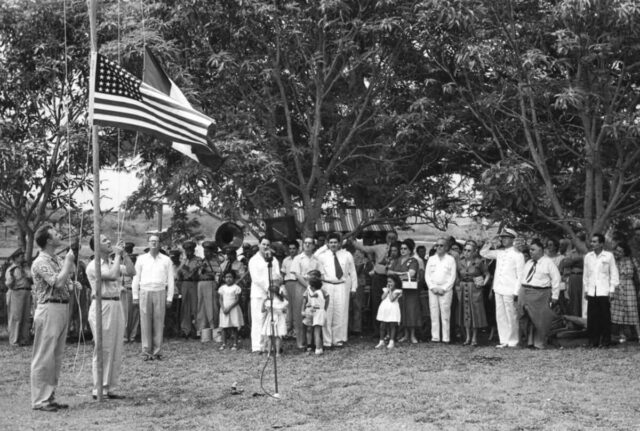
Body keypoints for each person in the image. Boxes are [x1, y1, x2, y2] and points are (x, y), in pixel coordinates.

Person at [30, 224, 77, 412]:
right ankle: (40, 400)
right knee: (44, 354)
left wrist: (73, 282)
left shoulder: (56, 258)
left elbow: (66, 281)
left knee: (55, 355)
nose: (59, 236)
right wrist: (67, 263)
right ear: (48, 240)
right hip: (48, 308)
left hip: (61, 307)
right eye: (56, 234)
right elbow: (57, 282)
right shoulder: (40, 262)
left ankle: (49, 395)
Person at [86, 234, 135, 399]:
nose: (109, 242)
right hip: (102, 305)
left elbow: (131, 271)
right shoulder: (94, 265)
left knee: (115, 346)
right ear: (96, 246)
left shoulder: (112, 263)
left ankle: (110, 387)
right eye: (104, 240)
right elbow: (112, 276)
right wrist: (119, 255)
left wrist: (125, 254)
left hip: (115, 304)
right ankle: (98, 388)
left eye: (108, 239)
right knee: (103, 347)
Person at [132, 235, 175, 361]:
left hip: (160, 291)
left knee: (159, 321)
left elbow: (170, 280)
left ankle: (157, 351)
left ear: (160, 244)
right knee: (145, 321)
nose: (154, 244)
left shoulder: (166, 260)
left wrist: (169, 297)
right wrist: (135, 295)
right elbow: (136, 277)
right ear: (148, 243)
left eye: (156, 242)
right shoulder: (141, 259)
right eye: (152, 242)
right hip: (145, 291)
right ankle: (146, 351)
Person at [480, 228, 524, 348]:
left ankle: (513, 341)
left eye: (506, 238)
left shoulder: (518, 255)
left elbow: (520, 276)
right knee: (500, 315)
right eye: (502, 238)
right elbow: (483, 253)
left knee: (511, 315)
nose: (503, 240)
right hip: (498, 288)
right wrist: (490, 242)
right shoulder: (500, 252)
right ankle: (503, 339)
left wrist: (516, 292)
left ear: (512, 239)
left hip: (510, 289)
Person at [516, 239, 561, 349]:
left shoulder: (548, 262)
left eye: (533, 249)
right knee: (523, 317)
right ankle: (528, 342)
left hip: (539, 294)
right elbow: (522, 278)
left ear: (541, 250)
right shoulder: (529, 263)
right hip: (524, 291)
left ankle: (540, 343)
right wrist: (518, 293)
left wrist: (555, 296)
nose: (530, 252)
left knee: (539, 319)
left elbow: (556, 279)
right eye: (530, 250)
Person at [351, 231, 399, 332]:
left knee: (392, 303)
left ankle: (392, 330)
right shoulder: (379, 247)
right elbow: (364, 248)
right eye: (389, 237)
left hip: (394, 279)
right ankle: (377, 330)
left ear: (396, 238)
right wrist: (353, 241)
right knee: (377, 303)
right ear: (386, 238)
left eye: (393, 237)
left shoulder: (399, 249)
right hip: (378, 278)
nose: (391, 239)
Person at [317, 232, 357, 348]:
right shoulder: (322, 256)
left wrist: (354, 287)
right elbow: (315, 256)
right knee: (327, 313)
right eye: (331, 243)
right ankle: (327, 341)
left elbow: (352, 272)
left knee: (340, 312)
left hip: (341, 286)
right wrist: (324, 247)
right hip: (327, 285)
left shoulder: (347, 255)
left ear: (340, 243)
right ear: (327, 244)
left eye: (335, 242)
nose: (333, 245)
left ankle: (337, 340)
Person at [583, 233, 619, 348]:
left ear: (601, 243)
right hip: (592, 291)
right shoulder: (588, 256)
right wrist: (586, 289)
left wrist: (612, 290)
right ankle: (593, 341)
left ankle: (605, 341)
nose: (592, 244)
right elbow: (586, 275)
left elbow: (614, 273)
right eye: (591, 241)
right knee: (592, 318)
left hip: (604, 291)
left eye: (594, 241)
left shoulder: (608, 256)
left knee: (604, 317)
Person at [248, 236, 281, 353]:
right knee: (258, 319)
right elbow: (256, 279)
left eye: (268, 245)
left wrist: (275, 287)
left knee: (270, 320)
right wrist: (268, 287)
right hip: (258, 294)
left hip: (272, 294)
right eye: (263, 244)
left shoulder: (274, 259)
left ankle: (269, 346)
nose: (265, 246)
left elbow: (277, 275)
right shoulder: (253, 260)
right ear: (259, 245)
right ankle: (258, 346)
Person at [290, 237, 323, 349]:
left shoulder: (317, 260)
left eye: (310, 243)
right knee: (300, 313)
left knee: (314, 311)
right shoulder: (298, 258)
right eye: (306, 243)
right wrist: (308, 286)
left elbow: (320, 275)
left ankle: (312, 342)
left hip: (314, 289)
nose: (308, 245)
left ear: (314, 245)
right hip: (301, 287)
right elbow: (297, 275)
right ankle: (300, 341)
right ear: (302, 245)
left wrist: (314, 287)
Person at [425, 238, 457, 343]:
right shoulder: (431, 259)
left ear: (447, 247)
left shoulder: (451, 259)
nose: (438, 247)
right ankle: (435, 336)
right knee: (434, 313)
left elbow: (452, 276)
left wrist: (445, 288)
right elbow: (427, 275)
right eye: (437, 245)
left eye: (441, 245)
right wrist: (432, 287)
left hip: (445, 290)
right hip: (433, 289)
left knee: (445, 314)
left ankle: (446, 337)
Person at [457, 240, 489, 346]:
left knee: (474, 312)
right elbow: (457, 276)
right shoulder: (460, 262)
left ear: (474, 251)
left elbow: (487, 274)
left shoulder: (479, 262)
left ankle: (474, 337)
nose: (466, 252)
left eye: (469, 251)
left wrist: (483, 283)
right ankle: (467, 337)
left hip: (474, 288)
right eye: (465, 250)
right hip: (463, 287)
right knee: (465, 312)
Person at [388, 240, 420, 344]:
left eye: (405, 248)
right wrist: (402, 274)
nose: (402, 250)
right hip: (399, 289)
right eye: (401, 248)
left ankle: (413, 335)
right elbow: (389, 272)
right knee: (402, 311)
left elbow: (411, 274)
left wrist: (396, 274)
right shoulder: (397, 260)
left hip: (410, 290)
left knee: (411, 311)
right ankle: (405, 335)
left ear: (410, 250)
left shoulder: (413, 261)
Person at [611, 242, 640, 343]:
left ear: (624, 252)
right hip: (618, 287)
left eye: (620, 251)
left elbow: (639, 271)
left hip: (629, 287)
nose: (617, 252)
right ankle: (621, 335)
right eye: (617, 250)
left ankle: (638, 335)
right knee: (618, 312)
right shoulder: (614, 261)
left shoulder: (632, 260)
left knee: (632, 310)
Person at [5, 248, 32, 346]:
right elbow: (8, 284)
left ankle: (24, 339)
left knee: (26, 317)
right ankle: (14, 340)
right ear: (15, 258)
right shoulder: (11, 269)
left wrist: (27, 272)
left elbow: (31, 278)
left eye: (23, 256)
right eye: (20, 256)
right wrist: (12, 277)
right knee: (16, 317)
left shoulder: (26, 268)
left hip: (27, 291)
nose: (22, 258)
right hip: (16, 292)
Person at [177, 240, 202, 338]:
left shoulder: (198, 260)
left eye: (190, 250)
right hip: (184, 284)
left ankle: (197, 330)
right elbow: (178, 274)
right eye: (186, 250)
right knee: (185, 307)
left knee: (195, 307)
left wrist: (194, 271)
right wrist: (183, 265)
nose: (188, 252)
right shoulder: (184, 260)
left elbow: (198, 273)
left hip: (194, 283)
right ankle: (185, 330)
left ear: (193, 250)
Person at [301, 270, 329, 355]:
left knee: (317, 331)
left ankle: (318, 347)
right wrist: (302, 310)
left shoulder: (319, 291)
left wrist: (324, 308)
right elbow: (304, 300)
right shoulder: (309, 289)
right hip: (311, 311)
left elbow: (327, 298)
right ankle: (310, 345)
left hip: (317, 311)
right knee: (309, 328)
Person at [68, 241, 91, 340]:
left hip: (81, 290)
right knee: (69, 312)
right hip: (70, 290)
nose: (75, 253)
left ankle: (79, 332)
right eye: (73, 251)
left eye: (77, 251)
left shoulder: (81, 264)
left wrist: (90, 287)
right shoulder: (66, 264)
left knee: (81, 311)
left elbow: (86, 278)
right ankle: (67, 333)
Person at [197, 241, 220, 338]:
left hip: (210, 283)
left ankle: (213, 327)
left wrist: (209, 271)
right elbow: (198, 273)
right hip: (201, 283)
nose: (205, 253)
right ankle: (202, 329)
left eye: (207, 251)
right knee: (201, 306)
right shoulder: (202, 261)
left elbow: (218, 274)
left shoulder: (217, 261)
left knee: (212, 306)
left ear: (212, 252)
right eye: (204, 251)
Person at [375, 274, 403, 349]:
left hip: (393, 308)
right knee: (382, 325)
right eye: (388, 282)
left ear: (395, 282)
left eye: (391, 282)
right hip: (384, 308)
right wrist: (387, 290)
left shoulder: (398, 291)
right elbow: (382, 297)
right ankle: (381, 341)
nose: (389, 283)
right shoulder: (385, 289)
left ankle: (391, 341)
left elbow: (392, 299)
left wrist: (390, 291)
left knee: (392, 325)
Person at [218, 270, 244, 350]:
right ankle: (224, 343)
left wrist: (230, 307)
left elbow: (237, 300)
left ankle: (235, 344)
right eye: (226, 277)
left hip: (233, 309)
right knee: (224, 327)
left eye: (230, 277)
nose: (228, 279)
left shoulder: (236, 288)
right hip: (224, 309)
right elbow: (220, 299)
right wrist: (223, 308)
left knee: (234, 326)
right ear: (224, 279)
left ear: (234, 278)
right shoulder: (222, 288)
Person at [119, 242, 140, 343]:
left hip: (136, 289)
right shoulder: (120, 264)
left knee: (135, 314)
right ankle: (125, 335)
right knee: (125, 314)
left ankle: (132, 335)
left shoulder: (137, 264)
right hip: (125, 289)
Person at [261, 280, 288, 357]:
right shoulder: (282, 301)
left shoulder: (269, 302)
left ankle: (269, 353)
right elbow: (285, 310)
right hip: (279, 318)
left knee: (270, 336)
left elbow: (262, 310)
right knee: (278, 336)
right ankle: (277, 353)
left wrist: (264, 302)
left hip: (271, 318)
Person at [281, 240, 300, 337]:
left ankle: (296, 330)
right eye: (290, 249)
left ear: (297, 249)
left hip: (297, 283)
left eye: (294, 249)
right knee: (288, 307)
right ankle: (288, 330)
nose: (292, 251)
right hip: (288, 283)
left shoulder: (300, 259)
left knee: (297, 307)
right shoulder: (285, 260)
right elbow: (283, 274)